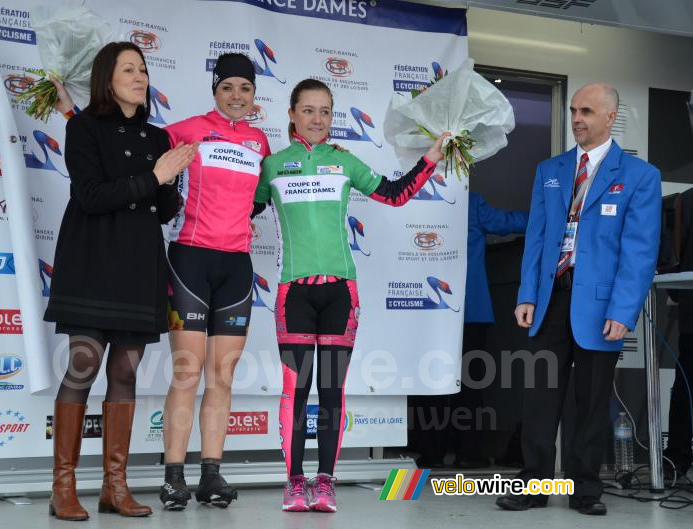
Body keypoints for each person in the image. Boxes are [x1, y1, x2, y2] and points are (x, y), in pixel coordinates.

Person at [252, 78, 449, 513]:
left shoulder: (343, 162)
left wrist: (431, 156)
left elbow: (395, 195)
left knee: (331, 388)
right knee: (295, 390)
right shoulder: (273, 166)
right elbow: (245, 207)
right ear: (291, 113)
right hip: (292, 294)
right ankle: (294, 481)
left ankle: (325, 482)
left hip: (341, 292)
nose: (317, 119)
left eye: (325, 111)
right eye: (308, 110)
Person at [43, 42, 197, 521]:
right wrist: (155, 176)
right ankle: (62, 489)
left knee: (125, 374)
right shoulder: (83, 127)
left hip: (137, 269)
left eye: (143, 69)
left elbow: (162, 209)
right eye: (128, 68)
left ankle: (115, 487)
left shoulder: (157, 137)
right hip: (91, 263)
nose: (139, 76)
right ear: (106, 78)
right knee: (83, 368)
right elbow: (90, 196)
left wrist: (172, 182)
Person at [495, 83, 661, 516]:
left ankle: (585, 488)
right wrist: (527, 293)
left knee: (590, 403)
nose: (576, 118)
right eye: (572, 110)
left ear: (611, 117)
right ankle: (533, 485)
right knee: (539, 397)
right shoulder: (550, 170)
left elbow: (639, 253)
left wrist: (624, 311)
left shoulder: (641, 176)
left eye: (586, 110)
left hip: (602, 307)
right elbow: (536, 238)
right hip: (550, 300)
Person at [158, 53, 271, 510]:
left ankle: (211, 474)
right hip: (190, 259)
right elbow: (145, 161)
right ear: (215, 91)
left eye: (245, 88)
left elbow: (260, 198)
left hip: (236, 266)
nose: (236, 96)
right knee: (188, 372)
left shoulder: (260, 142)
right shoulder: (188, 129)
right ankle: (172, 477)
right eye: (228, 88)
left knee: (221, 375)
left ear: (254, 95)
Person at [411, 192, 528, 469]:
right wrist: (556, 213)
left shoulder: (411, 197)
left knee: (429, 384)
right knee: (470, 386)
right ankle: (468, 454)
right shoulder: (471, 201)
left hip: (425, 310)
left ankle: (430, 454)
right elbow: (508, 222)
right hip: (470, 309)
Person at [663, 181, 693, 478]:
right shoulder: (688, 200)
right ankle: (676, 459)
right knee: (688, 389)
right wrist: (686, 294)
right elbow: (674, 254)